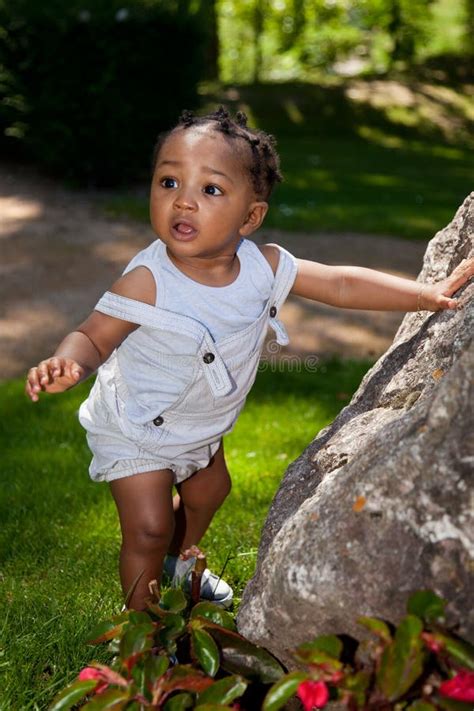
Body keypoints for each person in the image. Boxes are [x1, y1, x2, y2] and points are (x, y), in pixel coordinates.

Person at [25, 107, 474, 612]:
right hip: (136, 428)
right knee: (149, 528)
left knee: (211, 490)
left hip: (200, 426)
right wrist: (69, 363)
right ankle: (142, 632)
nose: (184, 202)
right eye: (168, 181)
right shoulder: (148, 281)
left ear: (251, 216)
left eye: (210, 190)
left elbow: (340, 283)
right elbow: (93, 335)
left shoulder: (263, 267)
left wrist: (424, 295)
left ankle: (177, 560)